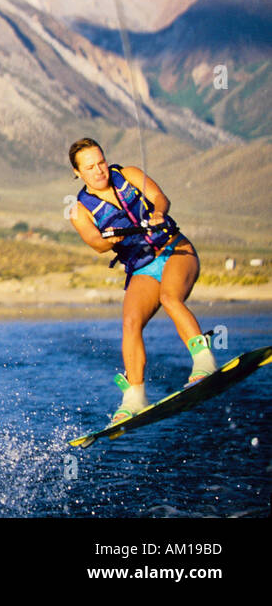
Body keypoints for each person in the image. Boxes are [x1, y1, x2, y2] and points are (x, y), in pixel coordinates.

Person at [67, 137, 217, 423]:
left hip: (175, 250)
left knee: (169, 297)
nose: (99, 170)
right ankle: (135, 396)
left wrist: (159, 212)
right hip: (142, 266)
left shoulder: (129, 174)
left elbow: (161, 198)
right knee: (130, 322)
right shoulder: (79, 210)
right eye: (90, 167)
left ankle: (204, 361)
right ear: (77, 172)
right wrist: (114, 238)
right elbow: (96, 243)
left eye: (101, 162)